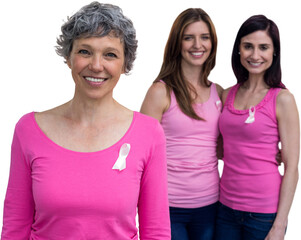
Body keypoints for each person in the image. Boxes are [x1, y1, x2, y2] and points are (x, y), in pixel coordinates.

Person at [1, 2, 170, 239]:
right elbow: (14, 227)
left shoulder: (149, 133)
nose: (96, 65)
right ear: (68, 57)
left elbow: (156, 231)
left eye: (110, 54)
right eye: (84, 51)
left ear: (125, 64)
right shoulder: (28, 130)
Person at [141, 8, 223, 240]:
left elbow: (226, 147)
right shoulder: (160, 91)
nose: (198, 45)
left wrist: (268, 153)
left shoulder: (220, 93)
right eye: (189, 37)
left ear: (212, 43)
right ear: (177, 43)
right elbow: (142, 152)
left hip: (211, 205)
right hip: (168, 207)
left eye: (204, 37)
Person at [215, 15, 299, 240]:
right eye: (248, 46)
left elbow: (292, 168)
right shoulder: (227, 95)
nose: (255, 55)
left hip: (264, 215)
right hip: (225, 207)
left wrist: (279, 225)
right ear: (238, 50)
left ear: (274, 52)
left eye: (263, 47)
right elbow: (221, 149)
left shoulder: (282, 99)